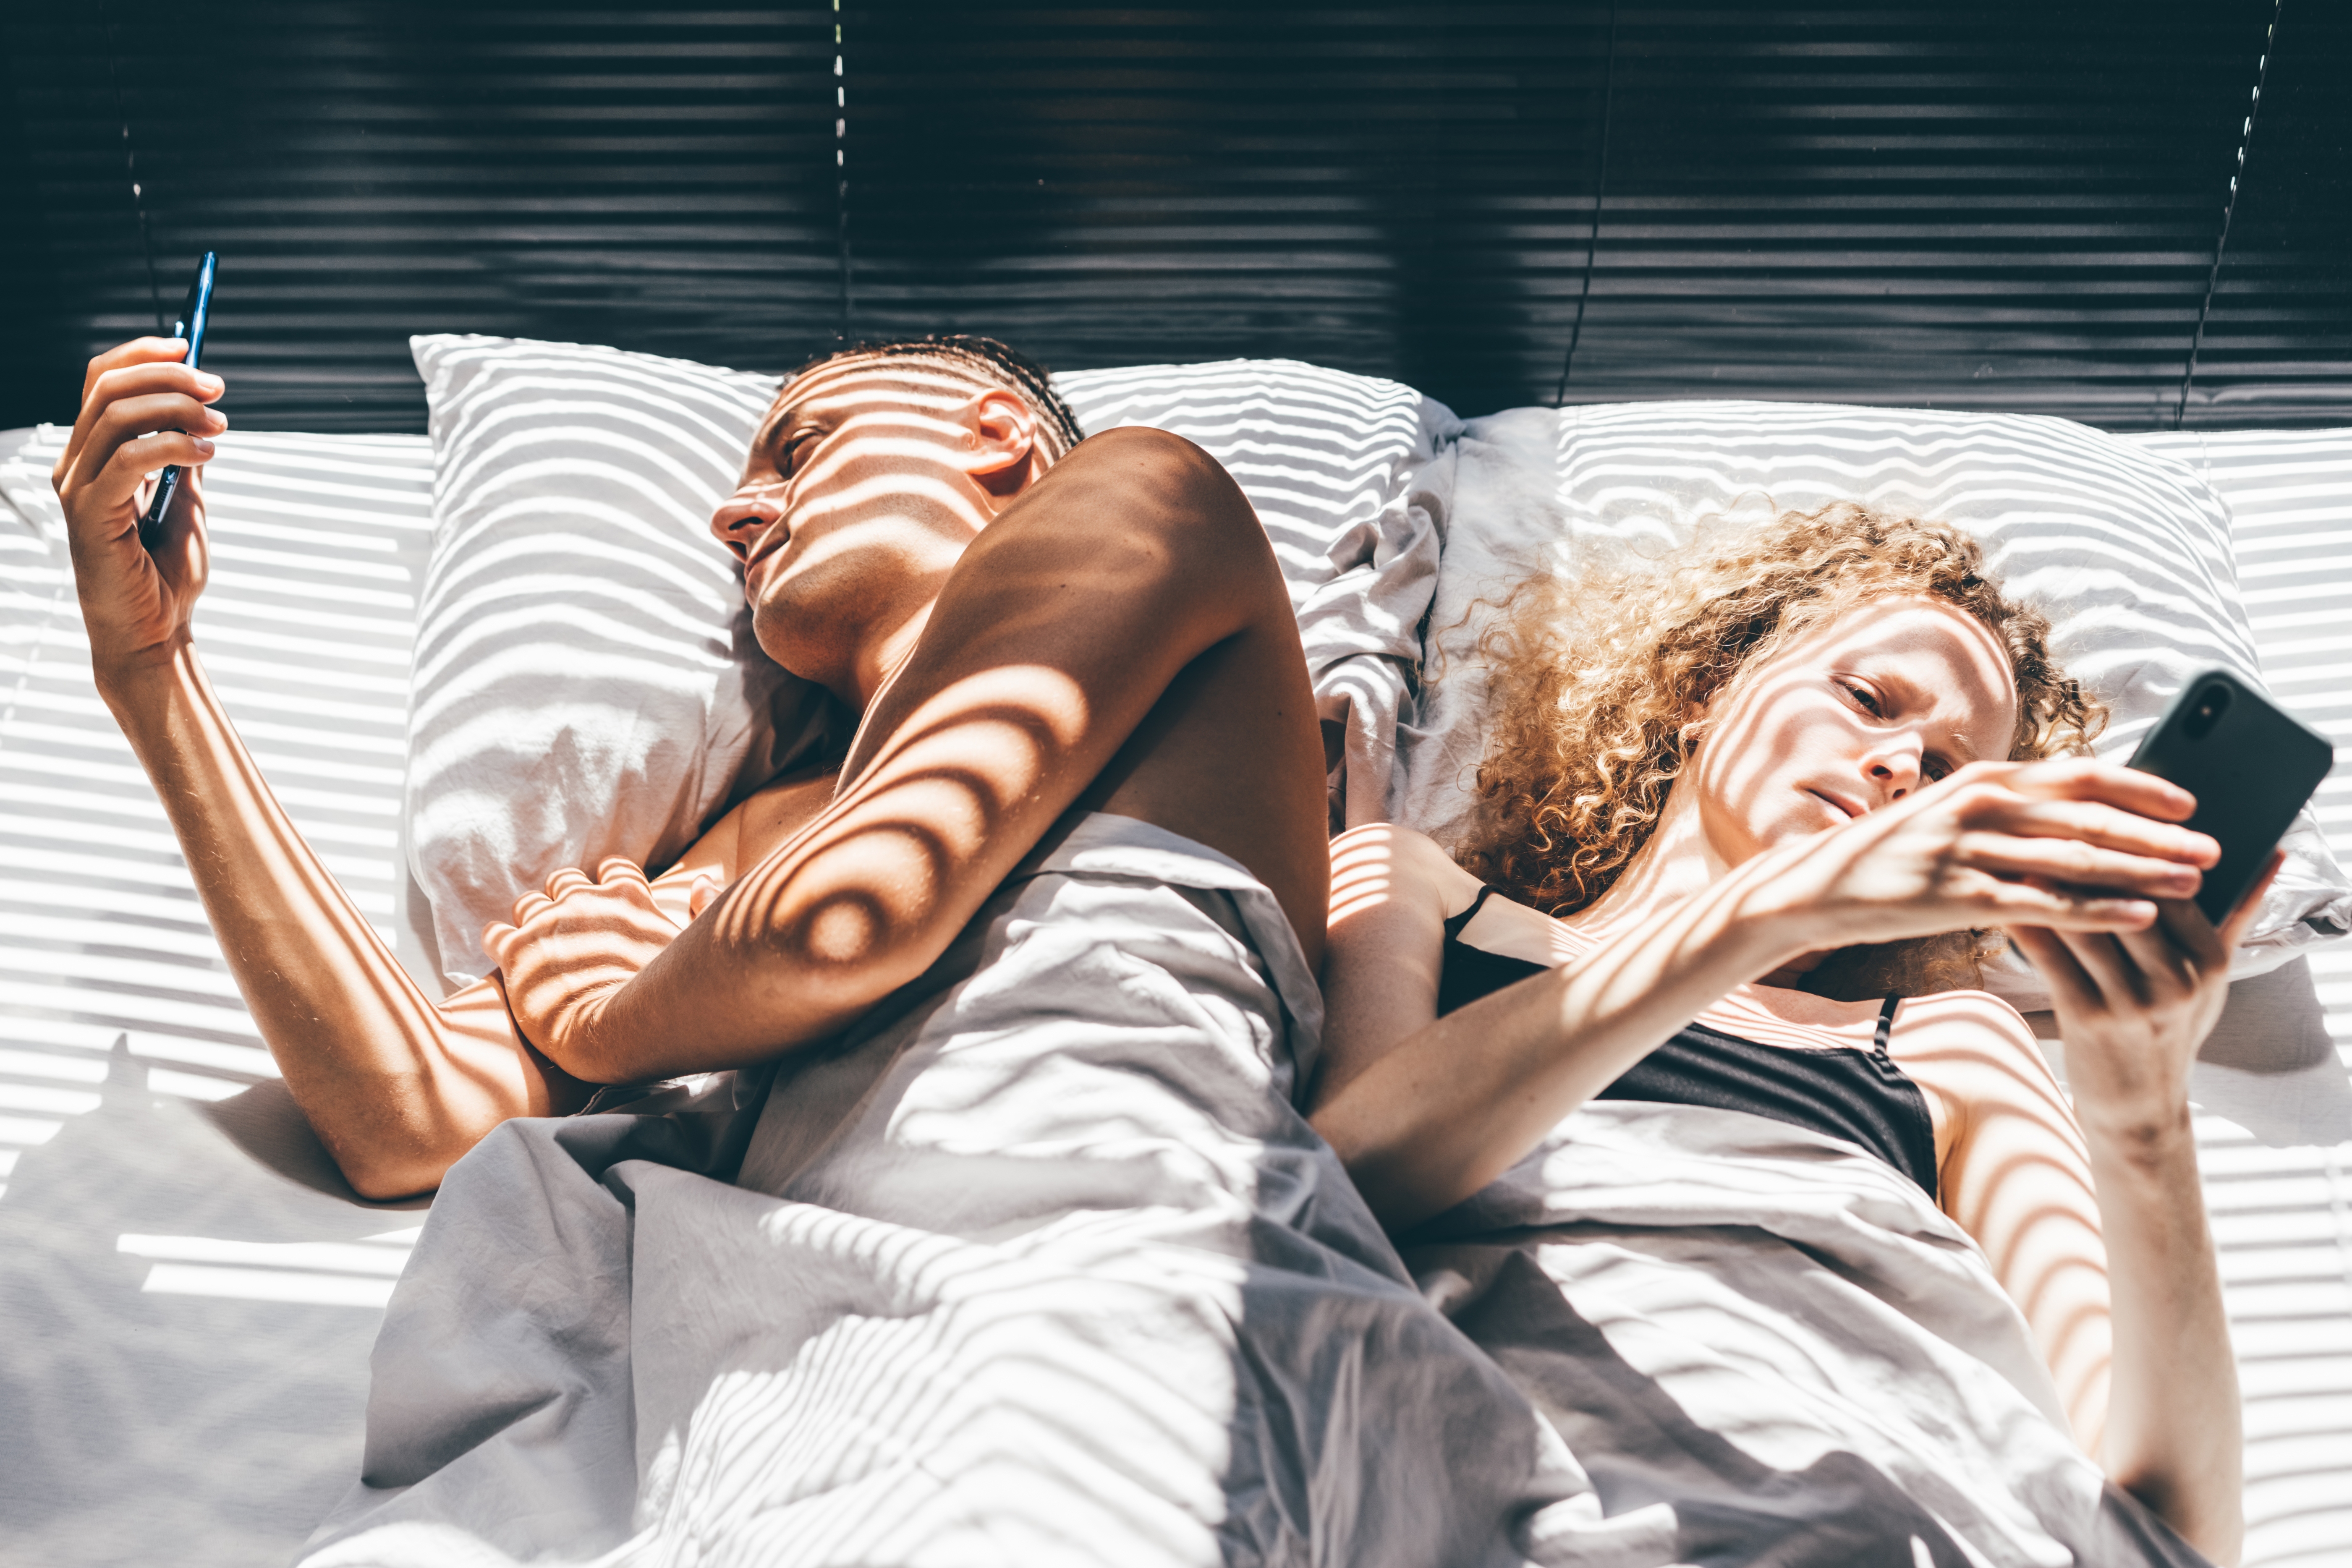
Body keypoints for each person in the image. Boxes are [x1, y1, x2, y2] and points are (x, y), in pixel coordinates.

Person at [53, 333, 1561, 1563]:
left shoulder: (1142, 500)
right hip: (762, 1385)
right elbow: (406, 1119)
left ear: (995, 444)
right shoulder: (752, 836)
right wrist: (153, 678)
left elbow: (852, 919)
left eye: (800, 445)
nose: (735, 510)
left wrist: (612, 1009)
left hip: (1084, 1307)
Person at [1310, 504, 2258, 1566]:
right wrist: (1775, 906)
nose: (1902, 765)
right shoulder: (1426, 888)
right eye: (1867, 699)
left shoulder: (1951, 1042)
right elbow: (1339, 1189)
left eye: (1948, 774)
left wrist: (2145, 1120)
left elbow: (2170, 1536)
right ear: (1703, 690)